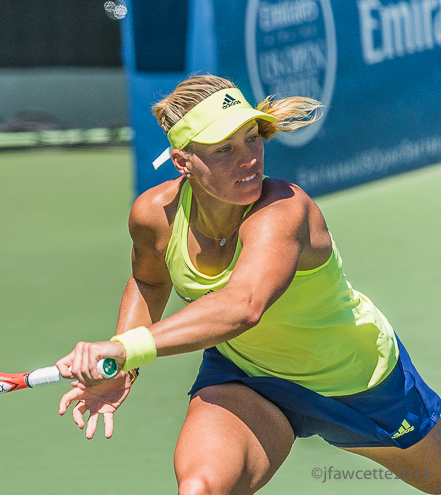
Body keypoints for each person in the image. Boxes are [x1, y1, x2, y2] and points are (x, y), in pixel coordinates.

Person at [55, 74, 441, 494]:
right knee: (200, 488)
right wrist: (123, 366)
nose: (249, 159)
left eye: (252, 139)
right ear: (183, 161)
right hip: (249, 377)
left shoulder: (284, 210)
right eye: (224, 149)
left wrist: (127, 348)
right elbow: (149, 280)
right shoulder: (155, 215)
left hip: (359, 383)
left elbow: (244, 305)